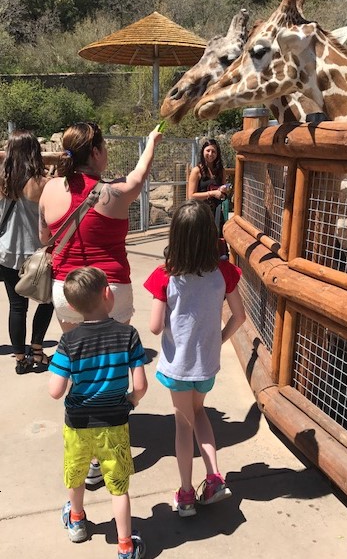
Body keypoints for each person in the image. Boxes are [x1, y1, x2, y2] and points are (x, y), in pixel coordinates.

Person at [39, 121, 162, 486]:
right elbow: (141, 173)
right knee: (113, 360)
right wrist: (152, 140)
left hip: (66, 290)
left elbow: (44, 236)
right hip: (111, 290)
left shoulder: (50, 189)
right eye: (104, 147)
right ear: (94, 152)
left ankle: (85, 443)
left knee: (78, 362)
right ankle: (111, 430)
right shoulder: (114, 193)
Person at [144, 199, 246, 517]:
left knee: (183, 425)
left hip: (178, 366)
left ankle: (186, 493)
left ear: (176, 237)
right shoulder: (224, 272)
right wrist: (218, 340)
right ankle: (214, 478)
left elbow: (154, 325)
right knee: (200, 415)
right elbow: (239, 316)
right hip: (206, 365)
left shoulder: (165, 276)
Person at [48, 266, 148, 559]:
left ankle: (77, 521)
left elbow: (55, 390)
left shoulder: (69, 342)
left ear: (73, 307)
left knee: (76, 476)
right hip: (115, 422)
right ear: (108, 294)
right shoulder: (127, 335)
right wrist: (130, 401)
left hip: (78, 424)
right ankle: (126, 545)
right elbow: (139, 385)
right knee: (118, 486)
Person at [0, 130, 54, 374]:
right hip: (38, 255)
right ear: (36, 152)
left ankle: (20, 359)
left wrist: (11, 154)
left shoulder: (3, 180)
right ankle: (37, 349)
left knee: (16, 306)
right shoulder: (43, 183)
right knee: (47, 301)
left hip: (7, 252)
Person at [187, 139, 230, 235]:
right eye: (208, 150)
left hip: (216, 213)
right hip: (200, 213)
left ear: (217, 154)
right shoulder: (196, 171)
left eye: (214, 151)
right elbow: (191, 196)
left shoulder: (221, 171)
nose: (210, 154)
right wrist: (212, 193)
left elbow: (223, 194)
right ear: (203, 151)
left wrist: (223, 190)